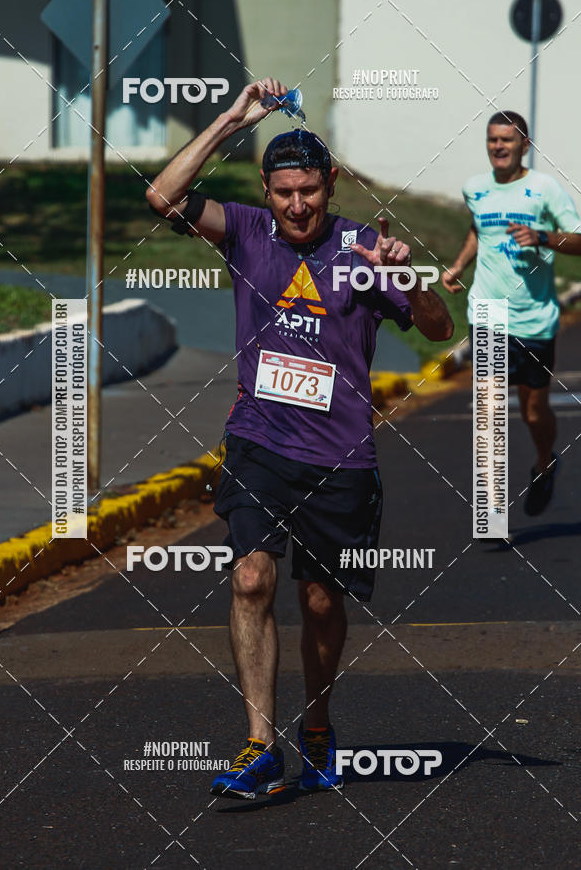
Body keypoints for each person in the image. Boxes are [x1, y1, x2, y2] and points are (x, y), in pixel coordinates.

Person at [147, 77, 454, 799]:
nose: (296, 205)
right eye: (283, 192)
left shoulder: (363, 248)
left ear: (330, 183)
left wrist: (406, 276)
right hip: (258, 441)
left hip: (340, 459)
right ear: (266, 187)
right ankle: (260, 744)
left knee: (321, 600)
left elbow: (442, 331)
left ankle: (317, 722)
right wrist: (230, 118)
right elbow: (161, 197)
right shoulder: (248, 231)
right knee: (251, 577)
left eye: (309, 191)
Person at [442, 110, 581, 516]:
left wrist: (542, 236)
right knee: (489, 408)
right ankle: (492, 506)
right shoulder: (475, 189)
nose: (498, 146)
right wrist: (459, 265)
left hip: (534, 316)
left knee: (533, 410)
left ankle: (544, 461)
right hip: (488, 310)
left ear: (525, 145)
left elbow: (578, 239)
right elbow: (479, 229)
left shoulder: (545, 190)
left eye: (506, 140)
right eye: (492, 140)